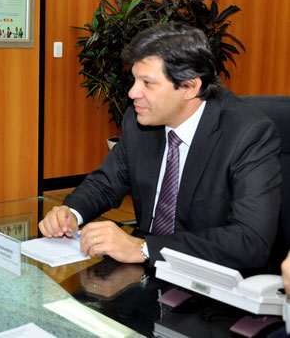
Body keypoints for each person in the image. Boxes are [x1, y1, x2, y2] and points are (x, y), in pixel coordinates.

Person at [39, 22, 281, 269]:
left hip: (212, 281)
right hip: (145, 275)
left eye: (148, 83)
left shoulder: (247, 134)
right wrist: (71, 211)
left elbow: (249, 241)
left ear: (189, 87)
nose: (133, 93)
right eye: (134, 80)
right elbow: (105, 184)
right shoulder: (139, 121)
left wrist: (143, 248)